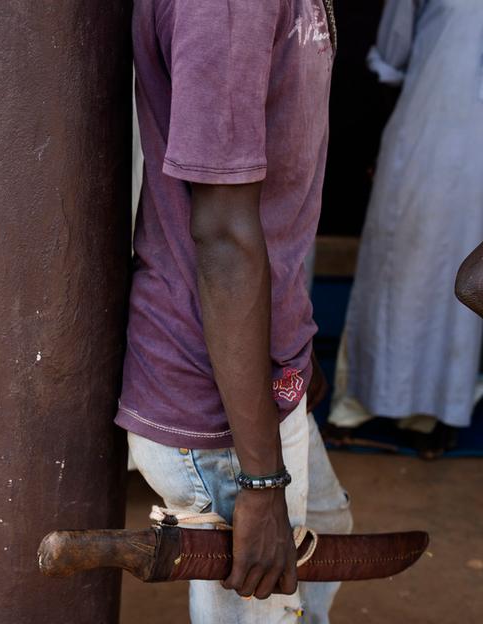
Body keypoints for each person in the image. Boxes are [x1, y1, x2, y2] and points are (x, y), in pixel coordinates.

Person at [116, 0, 353, 621]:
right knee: (272, 601)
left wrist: (295, 349)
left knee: (328, 528)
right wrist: (261, 481)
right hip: (214, 398)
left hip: (257, 364)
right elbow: (223, 237)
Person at [327, 0, 483, 459]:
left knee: (469, 279)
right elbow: (391, 55)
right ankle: (358, 400)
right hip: (427, 128)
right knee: (400, 267)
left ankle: (434, 413)